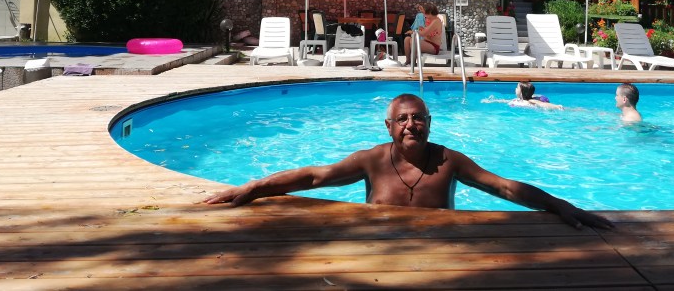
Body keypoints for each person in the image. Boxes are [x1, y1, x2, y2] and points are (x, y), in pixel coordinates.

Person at [203, 93, 613, 230]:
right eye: (402, 119)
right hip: (377, 251)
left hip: (442, 252)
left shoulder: (449, 161)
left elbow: (503, 187)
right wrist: (255, 187)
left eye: (418, 118)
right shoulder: (371, 160)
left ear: (429, 124)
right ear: (389, 126)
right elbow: (314, 177)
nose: (411, 125)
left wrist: (560, 205)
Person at [484, 81, 563, 110]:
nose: (515, 89)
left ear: (521, 93)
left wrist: (557, 106)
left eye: (517, 88)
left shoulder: (529, 101)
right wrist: (494, 101)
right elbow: (507, 101)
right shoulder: (519, 100)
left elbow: (542, 104)